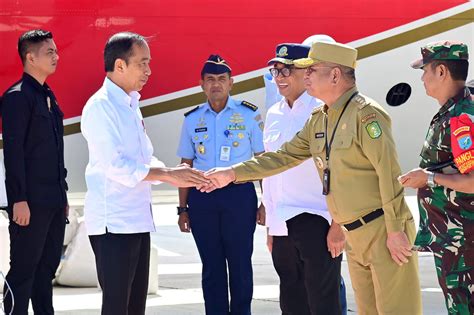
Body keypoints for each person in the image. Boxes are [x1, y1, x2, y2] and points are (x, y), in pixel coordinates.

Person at [203, 41, 422, 315]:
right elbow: (283, 157)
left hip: (382, 230)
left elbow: (389, 175)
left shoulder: (367, 115)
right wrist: (232, 173)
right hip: (355, 234)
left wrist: (395, 230)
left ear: (334, 75)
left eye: (312, 70)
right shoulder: (320, 118)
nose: (305, 76)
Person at [80, 32, 208, 315]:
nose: (149, 71)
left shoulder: (129, 104)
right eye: (142, 63)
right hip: (114, 223)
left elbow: (142, 157)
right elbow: (116, 166)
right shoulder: (101, 107)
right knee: (117, 307)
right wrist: (168, 175)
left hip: (136, 219)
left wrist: (179, 172)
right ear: (120, 65)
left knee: (135, 306)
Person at [176, 54, 265, 315]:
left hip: (239, 197)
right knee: (211, 266)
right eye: (210, 80)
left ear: (231, 83)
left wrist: (266, 201)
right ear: (202, 84)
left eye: (222, 79)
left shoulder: (248, 114)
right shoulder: (192, 119)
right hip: (202, 199)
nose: (216, 84)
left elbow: (263, 161)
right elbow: (185, 165)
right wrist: (183, 209)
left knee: (240, 264)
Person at [263, 41, 346, 315]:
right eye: (276, 71)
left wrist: (338, 225)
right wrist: (271, 226)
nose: (280, 78)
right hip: (282, 225)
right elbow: (270, 174)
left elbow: (339, 171)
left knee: (323, 303)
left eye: (287, 70)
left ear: (306, 72)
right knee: (291, 301)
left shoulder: (323, 111)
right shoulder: (274, 113)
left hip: (317, 220)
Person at [399, 41, 474, 314]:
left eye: (425, 70)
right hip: (455, 240)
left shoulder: (461, 118)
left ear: (441, 71)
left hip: (463, 244)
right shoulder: (452, 112)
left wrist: (428, 178)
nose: (422, 78)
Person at [1, 29, 67, 315]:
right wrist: (19, 199)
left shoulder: (47, 95)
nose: (56, 56)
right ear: (30, 57)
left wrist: (63, 196)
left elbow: (55, 151)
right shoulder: (17, 97)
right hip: (30, 203)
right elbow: (13, 153)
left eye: (55, 50)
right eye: (49, 52)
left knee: (46, 269)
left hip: (53, 200)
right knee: (24, 270)